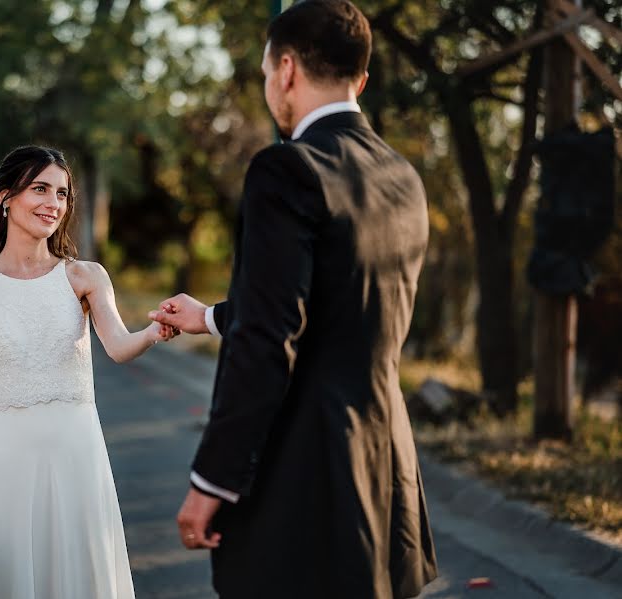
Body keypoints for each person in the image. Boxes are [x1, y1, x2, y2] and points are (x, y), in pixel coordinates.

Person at [148, 1, 438, 597]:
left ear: (285, 70)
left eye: (263, 74)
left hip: (308, 473)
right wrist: (207, 317)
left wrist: (212, 483)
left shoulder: (287, 170)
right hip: (386, 466)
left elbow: (269, 338)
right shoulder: (401, 177)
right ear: (359, 79)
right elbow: (333, 308)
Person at [0, 145, 176, 599]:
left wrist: (155, 331)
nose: (53, 203)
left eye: (61, 193)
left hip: (77, 456)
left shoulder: (84, 277)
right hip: (4, 463)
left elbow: (118, 346)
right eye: (39, 189)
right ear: (6, 198)